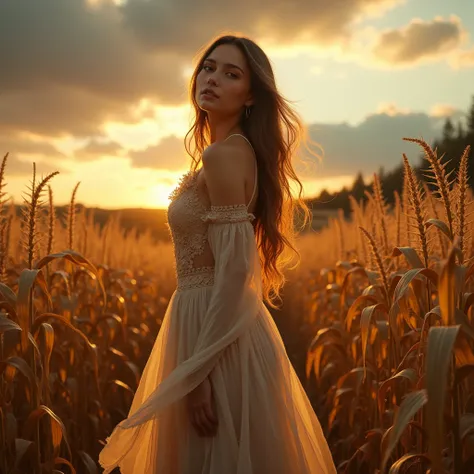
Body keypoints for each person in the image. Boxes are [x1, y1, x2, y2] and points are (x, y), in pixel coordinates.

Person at [99, 34, 337, 474]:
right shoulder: (233, 153)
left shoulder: (225, 154)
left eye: (231, 74)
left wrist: (198, 373)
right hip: (208, 323)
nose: (212, 79)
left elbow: (235, 269)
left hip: (214, 333)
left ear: (250, 97)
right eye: (209, 67)